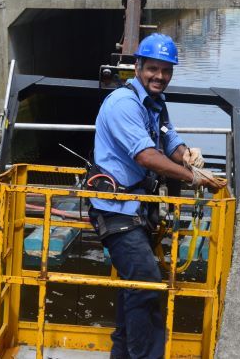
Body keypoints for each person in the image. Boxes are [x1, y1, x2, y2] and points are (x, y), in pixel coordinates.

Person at [88, 33, 225, 359]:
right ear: (137, 67)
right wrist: (194, 177)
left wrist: (188, 155)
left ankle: (122, 353)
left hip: (137, 207)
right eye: (153, 69)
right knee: (147, 281)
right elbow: (147, 157)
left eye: (166, 71)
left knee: (132, 285)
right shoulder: (123, 104)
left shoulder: (155, 104)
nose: (159, 77)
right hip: (114, 209)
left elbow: (169, 144)